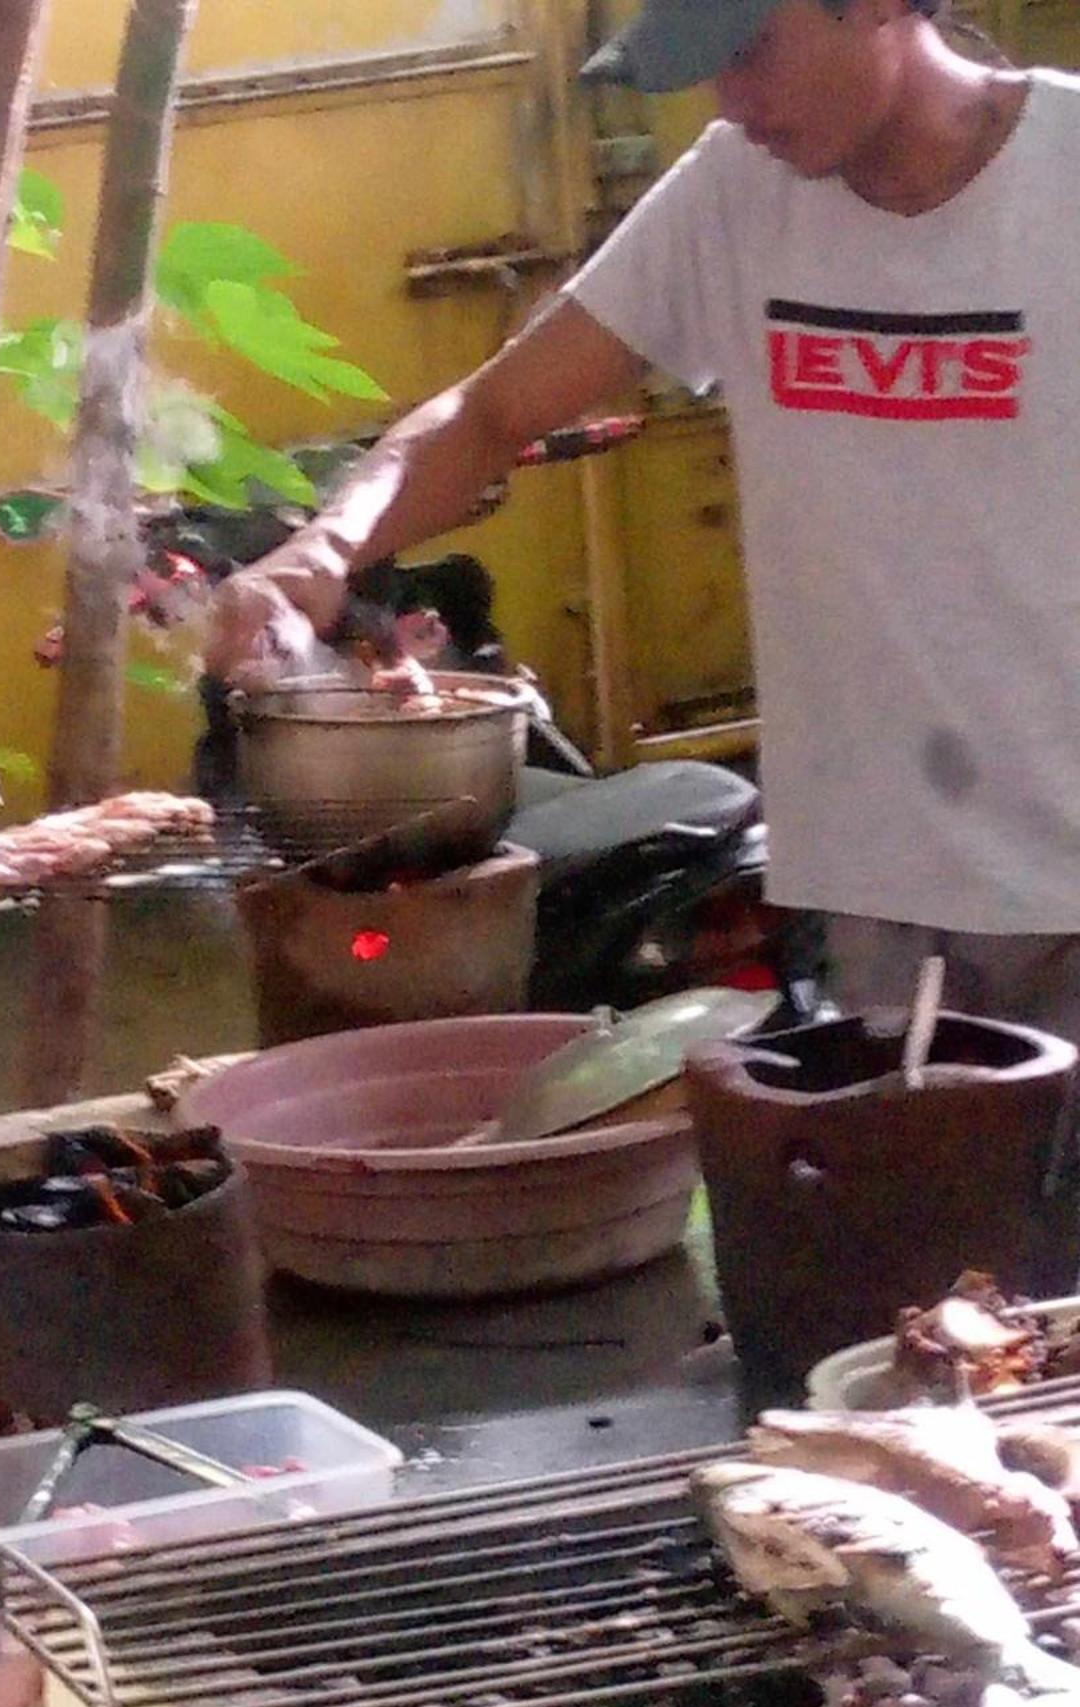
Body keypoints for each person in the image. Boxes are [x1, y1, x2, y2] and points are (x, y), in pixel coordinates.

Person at [208, 0, 1080, 1038]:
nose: (732, 101)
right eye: (706, 68)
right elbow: (489, 412)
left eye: (752, 51)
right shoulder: (732, 194)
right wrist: (321, 549)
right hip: (877, 880)